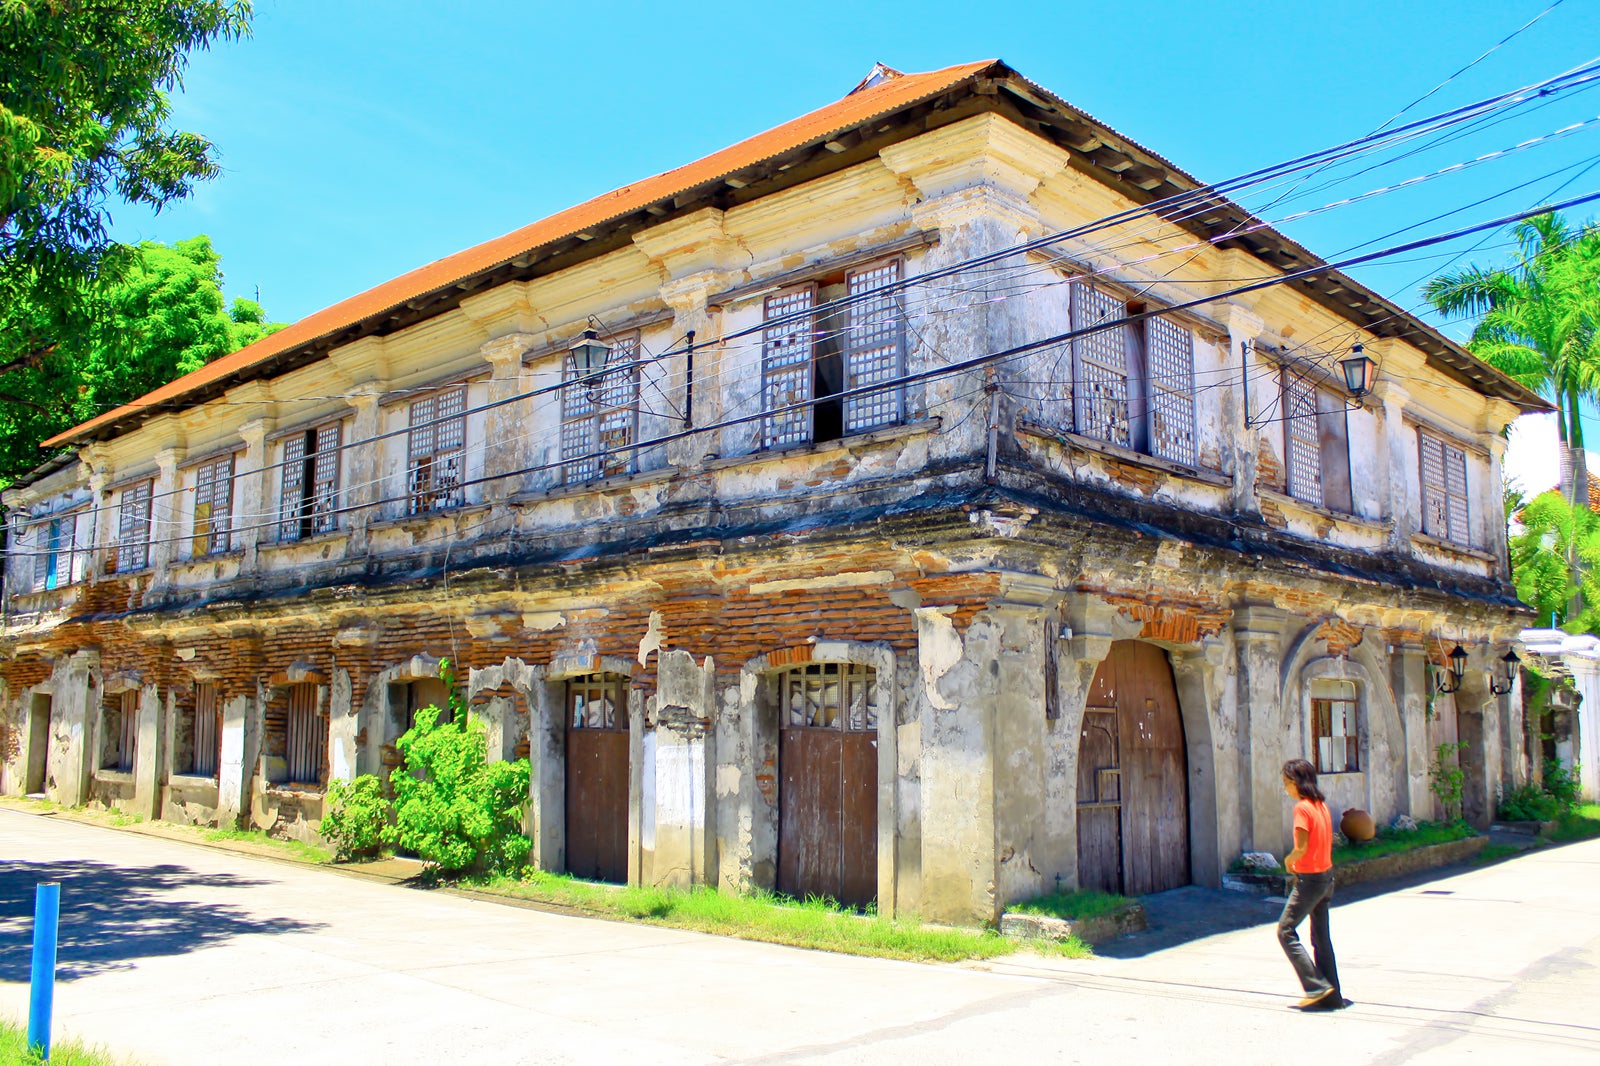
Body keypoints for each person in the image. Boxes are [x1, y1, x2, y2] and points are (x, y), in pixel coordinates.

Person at [1278, 758, 1344, 1010]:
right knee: (1321, 938)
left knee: (1285, 931)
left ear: (1296, 783)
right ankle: (1332, 997)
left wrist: (1288, 860)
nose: (1285, 789)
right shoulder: (1321, 805)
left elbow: (1301, 848)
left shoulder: (1303, 808)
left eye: (1286, 783)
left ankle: (1316, 986)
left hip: (1311, 880)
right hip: (1327, 877)